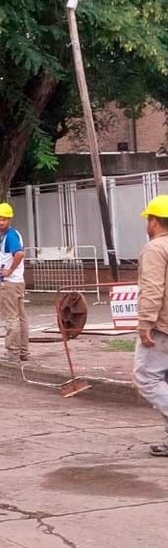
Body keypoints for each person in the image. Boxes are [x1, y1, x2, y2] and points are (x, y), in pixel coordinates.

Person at [134, 195, 168, 457]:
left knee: (146, 378)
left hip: (161, 326)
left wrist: (145, 323)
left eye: (148, 219)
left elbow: (153, 289)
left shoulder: (155, 248)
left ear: (154, 221)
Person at [0, 202, 29, 361]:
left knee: (11, 317)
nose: (0, 222)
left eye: (4, 219)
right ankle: (23, 351)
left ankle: (13, 351)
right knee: (21, 317)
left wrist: (9, 270)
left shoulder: (10, 236)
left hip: (9, 282)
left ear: (9, 220)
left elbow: (19, 254)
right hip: (17, 282)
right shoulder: (12, 235)